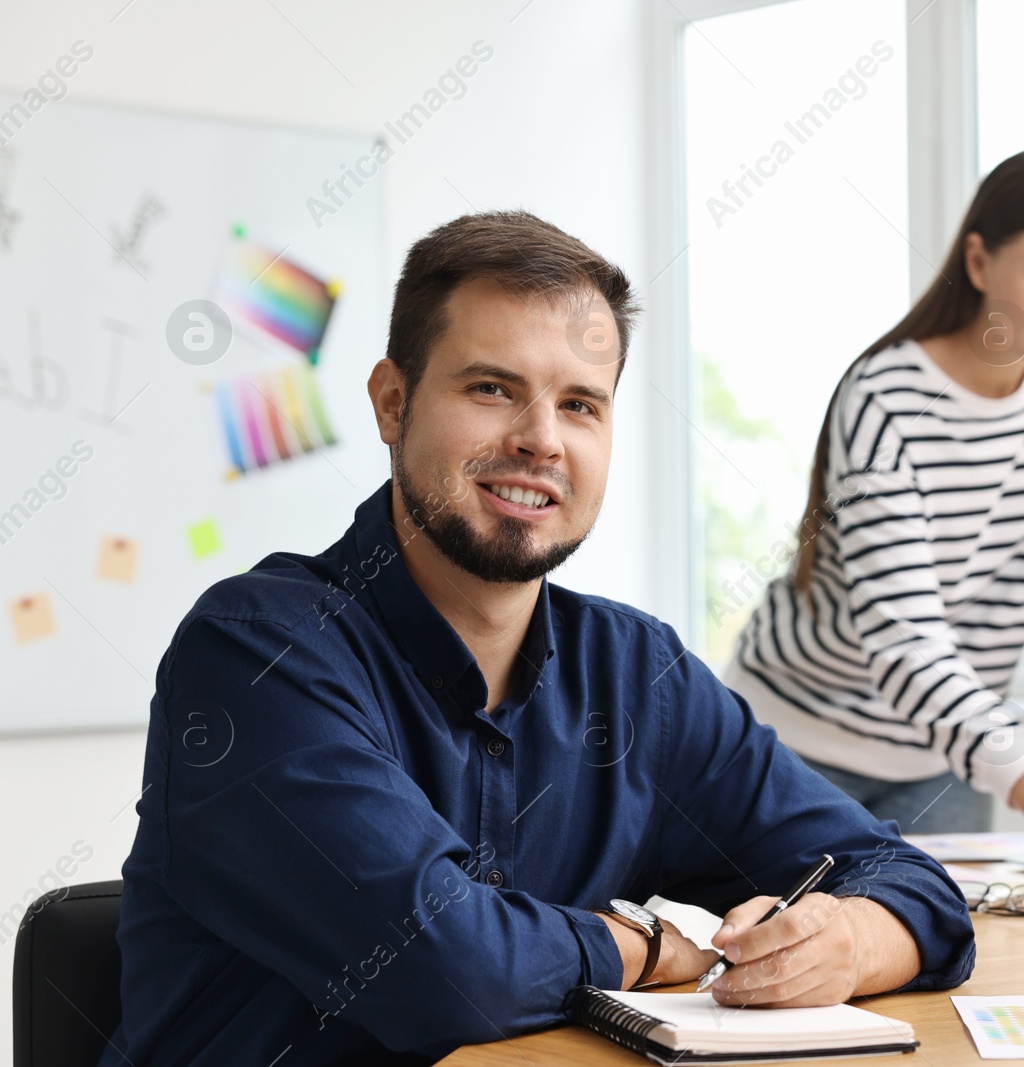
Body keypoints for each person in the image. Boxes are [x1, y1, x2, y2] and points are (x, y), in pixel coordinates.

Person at [101, 212, 974, 1067]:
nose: (541, 440)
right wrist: (650, 938)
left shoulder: (640, 674)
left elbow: (908, 881)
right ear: (392, 403)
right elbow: (452, 969)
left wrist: (849, 941)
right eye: (492, 388)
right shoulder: (258, 654)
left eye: (581, 405)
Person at [722, 148, 1024, 852]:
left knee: (946, 958)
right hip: (797, 744)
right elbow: (904, 637)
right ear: (978, 261)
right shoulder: (887, 398)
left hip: (945, 759)